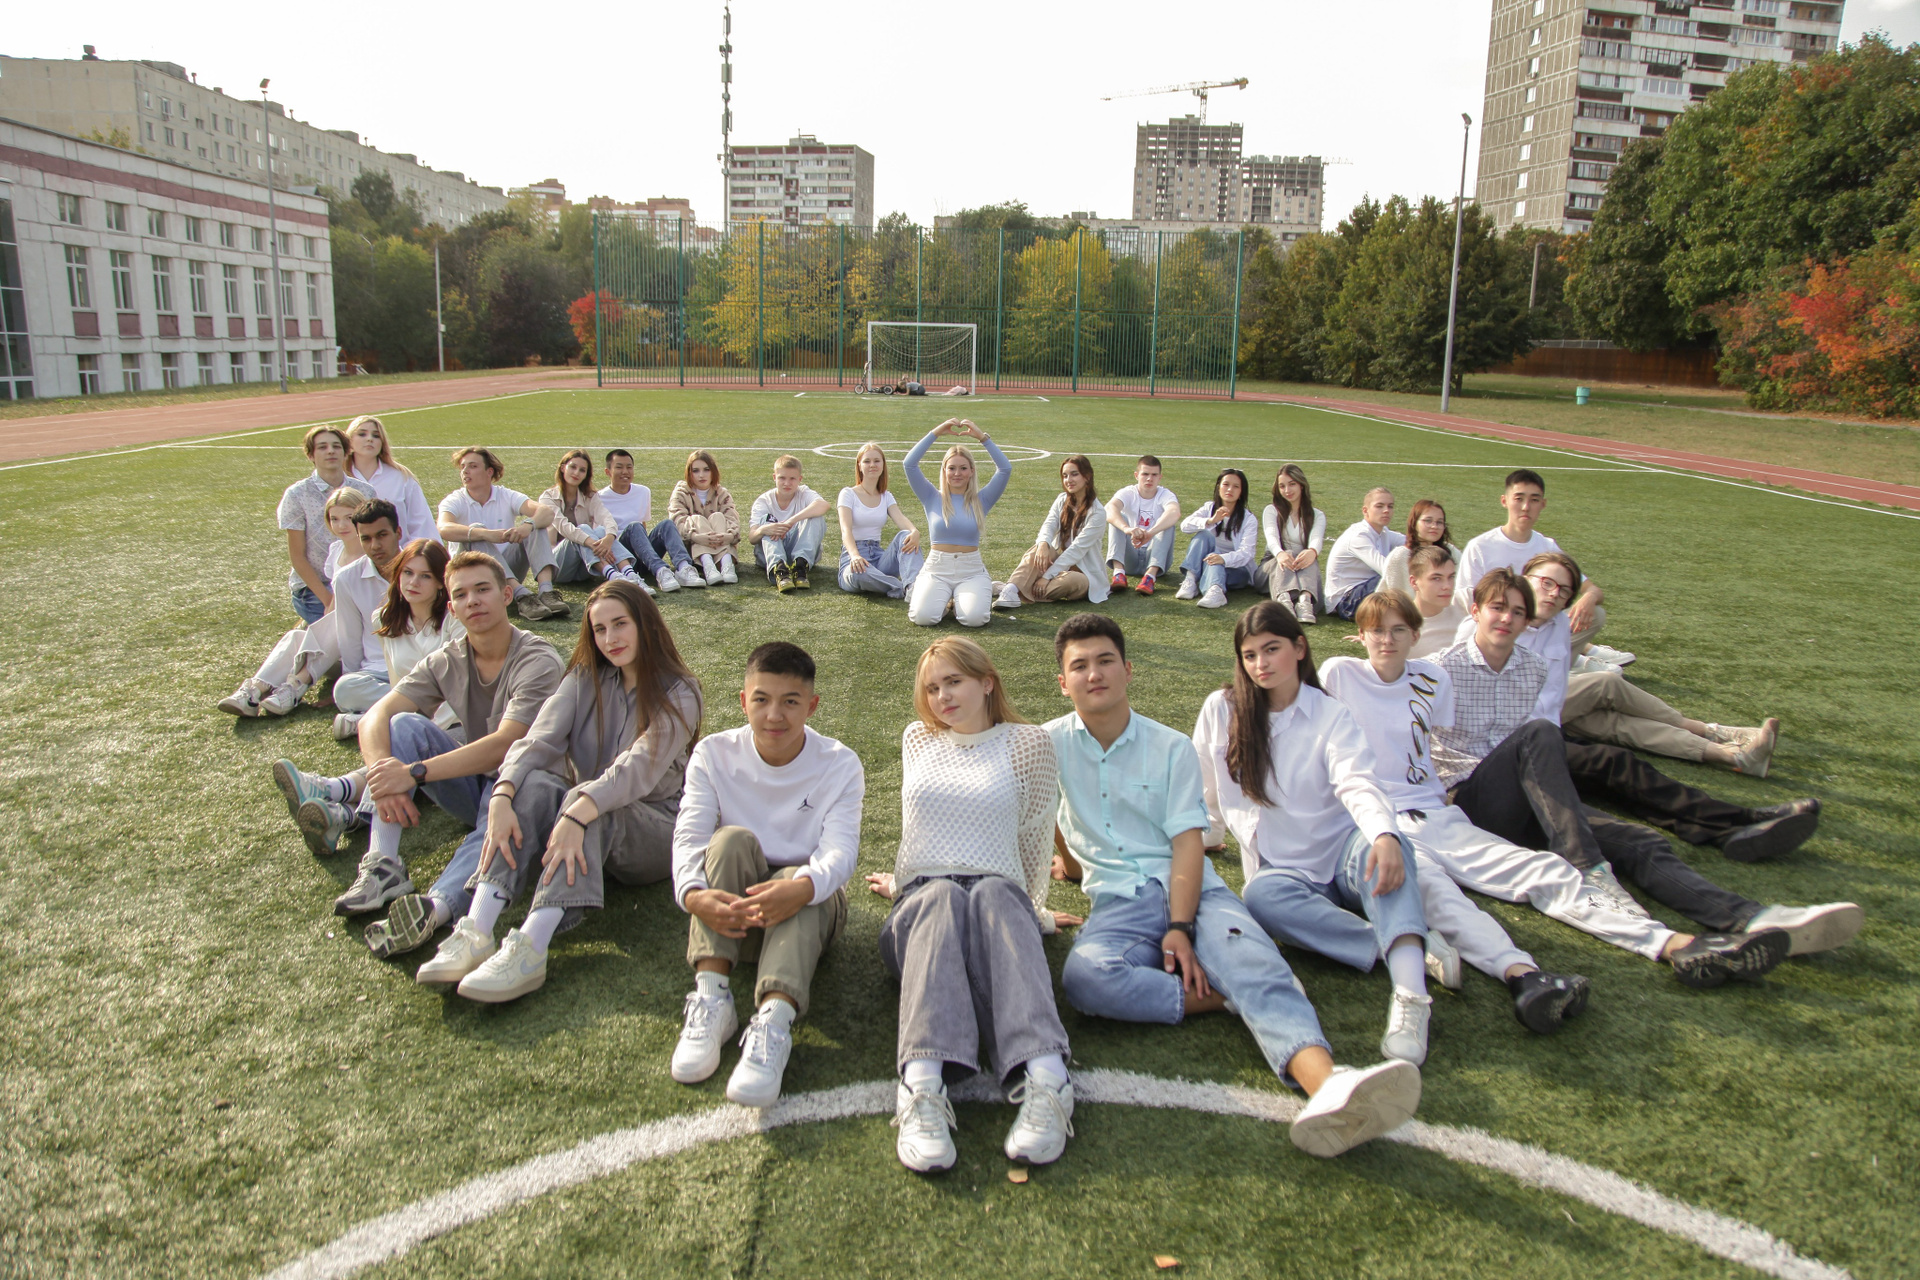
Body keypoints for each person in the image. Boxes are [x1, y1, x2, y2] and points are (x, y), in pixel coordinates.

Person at [1048, 613, 1421, 1158]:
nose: (1094, 674)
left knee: (1248, 959)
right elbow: (1046, 817)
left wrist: (1180, 927)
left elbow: (1186, 845)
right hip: (1118, 901)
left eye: (1105, 661)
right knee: (1085, 978)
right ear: (1064, 683)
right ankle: (1228, 997)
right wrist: (1073, 865)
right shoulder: (1046, 744)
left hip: (1192, 888)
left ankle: (1327, 1085)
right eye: (1080, 666)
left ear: (1128, 670)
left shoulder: (1171, 746)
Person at [1431, 569, 1861, 968]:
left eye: (1517, 612)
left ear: (1528, 622)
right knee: (1542, 734)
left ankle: (1753, 917)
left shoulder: (1534, 668)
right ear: (1476, 611)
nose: (1507, 618)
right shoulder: (1438, 670)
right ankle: (1588, 868)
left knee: (1640, 841)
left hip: (1526, 793)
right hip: (1470, 800)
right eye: (1497, 608)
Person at [1323, 589, 1731, 994]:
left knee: (1540, 869)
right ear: (1360, 635)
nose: (1387, 640)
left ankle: (1671, 943)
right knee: (1440, 896)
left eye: (1398, 630)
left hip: (1435, 813)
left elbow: (1438, 743)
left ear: (1416, 635)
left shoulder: (1432, 679)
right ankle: (1523, 976)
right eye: (1376, 631)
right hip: (1374, 822)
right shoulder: (1339, 673)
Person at [269, 553, 564, 955]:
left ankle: (437, 908)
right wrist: (383, 773)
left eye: (483, 589)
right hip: (479, 784)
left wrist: (413, 774)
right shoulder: (448, 658)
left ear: (507, 595)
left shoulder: (537, 659)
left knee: (500, 814)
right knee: (403, 726)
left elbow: (507, 745)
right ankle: (382, 865)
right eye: (462, 594)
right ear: (451, 608)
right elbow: (376, 717)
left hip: (531, 789)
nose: (473, 601)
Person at [433, 581, 704, 1002]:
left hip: (653, 828)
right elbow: (537, 740)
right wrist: (502, 794)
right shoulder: (584, 678)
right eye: (600, 629)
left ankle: (531, 947)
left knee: (591, 804)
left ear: (645, 625)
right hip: (579, 819)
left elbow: (637, 771)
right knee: (536, 783)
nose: (610, 639)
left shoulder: (681, 690)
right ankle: (477, 930)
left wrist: (578, 810)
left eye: (620, 624)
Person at [864, 638, 1076, 1173]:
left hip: (993, 906)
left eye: (953, 682)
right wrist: (904, 883)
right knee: (937, 894)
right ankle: (921, 1089)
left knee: (996, 892)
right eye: (932, 688)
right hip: (922, 910)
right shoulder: (918, 738)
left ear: (987, 681)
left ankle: (1049, 1080)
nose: (942, 697)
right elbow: (919, 829)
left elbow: (1032, 841)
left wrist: (1031, 914)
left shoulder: (1027, 743)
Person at [1192, 602, 1435, 1064]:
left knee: (1391, 842)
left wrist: (1384, 835)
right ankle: (1402, 943)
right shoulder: (1222, 709)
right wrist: (1207, 836)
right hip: (1284, 870)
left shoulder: (1330, 714)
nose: (1261, 664)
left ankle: (1411, 996)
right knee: (1260, 896)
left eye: (1272, 649)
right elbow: (1205, 784)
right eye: (1249, 655)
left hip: (1343, 852)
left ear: (1299, 648)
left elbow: (1357, 781)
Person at [1514, 551, 1817, 857]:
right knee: (1612, 761)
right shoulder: (1499, 624)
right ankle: (1737, 812)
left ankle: (1731, 825)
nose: (1554, 594)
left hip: (1544, 730)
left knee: (1617, 763)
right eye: (1546, 583)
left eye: (1563, 591)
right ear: (1523, 579)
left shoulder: (1556, 626)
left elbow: (1551, 693)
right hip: (1514, 743)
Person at [669, 642, 864, 1108]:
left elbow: (840, 852)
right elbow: (690, 834)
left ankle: (773, 1023)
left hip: (810, 915)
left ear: (811, 706)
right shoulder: (713, 753)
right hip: (736, 913)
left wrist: (801, 888)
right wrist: (692, 895)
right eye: (761, 699)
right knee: (728, 841)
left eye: (790, 701)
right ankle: (712, 998)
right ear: (743, 701)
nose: (774, 715)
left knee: (800, 876)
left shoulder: (840, 763)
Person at [1453, 468, 1631, 667]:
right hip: (1500, 626)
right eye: (1519, 498)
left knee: (1596, 614)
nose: (1526, 507)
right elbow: (1467, 604)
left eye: (1534, 500)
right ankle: (1577, 661)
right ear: (1504, 501)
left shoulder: (1547, 546)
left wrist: (1588, 598)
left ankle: (1564, 663)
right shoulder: (1481, 546)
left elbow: (1592, 589)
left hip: (1540, 626)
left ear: (1543, 504)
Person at [221, 487, 367, 718]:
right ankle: (253, 692)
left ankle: (295, 686)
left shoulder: (372, 557)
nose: (341, 525)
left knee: (340, 622)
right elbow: (332, 605)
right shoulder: (336, 551)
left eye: (349, 518)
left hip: (363, 651)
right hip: (333, 649)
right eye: (334, 519)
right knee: (295, 636)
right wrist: (318, 633)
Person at [436, 446, 568, 622]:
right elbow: (443, 528)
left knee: (535, 525)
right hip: (472, 575)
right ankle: (522, 596)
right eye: (463, 467)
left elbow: (546, 512)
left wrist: (527, 525)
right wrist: (485, 534)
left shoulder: (506, 495)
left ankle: (546, 592)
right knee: (476, 532)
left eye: (473, 466)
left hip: (508, 569)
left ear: (489, 471)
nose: (465, 471)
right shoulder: (455, 500)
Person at [904, 419, 1014, 628]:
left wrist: (982, 437)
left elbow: (1005, 469)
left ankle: (963, 599)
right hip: (937, 569)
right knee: (923, 618)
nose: (957, 473)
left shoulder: (982, 500)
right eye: (952, 468)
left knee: (974, 619)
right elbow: (909, 464)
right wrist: (936, 432)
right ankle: (946, 600)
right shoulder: (931, 496)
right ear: (944, 470)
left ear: (971, 471)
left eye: (963, 468)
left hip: (971, 570)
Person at [325, 499, 409, 739]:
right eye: (366, 538)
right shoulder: (346, 579)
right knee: (344, 689)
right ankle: (417, 711)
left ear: (398, 533)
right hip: (377, 672)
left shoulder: (421, 569)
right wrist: (349, 683)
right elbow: (349, 637)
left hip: (419, 666)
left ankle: (368, 719)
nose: (375, 545)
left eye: (382, 535)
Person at [278, 424, 375, 623]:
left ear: (346, 452)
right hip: (316, 587)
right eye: (322, 447)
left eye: (336, 446)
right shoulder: (297, 495)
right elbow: (297, 556)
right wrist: (329, 600)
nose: (330, 451)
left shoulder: (365, 491)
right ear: (311, 455)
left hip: (359, 579)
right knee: (336, 635)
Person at [995, 454, 1105, 608]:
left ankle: (1009, 588)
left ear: (1087, 476)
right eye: (1065, 476)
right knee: (1038, 550)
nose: (1068, 480)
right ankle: (1010, 590)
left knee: (1069, 581)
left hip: (1084, 574)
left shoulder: (1098, 512)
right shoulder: (1061, 499)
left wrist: (1047, 576)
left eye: (1074, 474)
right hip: (1057, 564)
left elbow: (1076, 550)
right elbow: (1048, 526)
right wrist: (1043, 545)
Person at [536, 449, 648, 595]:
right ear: (563, 468)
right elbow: (564, 528)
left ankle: (630, 575)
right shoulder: (547, 498)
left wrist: (609, 538)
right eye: (573, 467)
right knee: (582, 528)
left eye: (582, 470)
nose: (576, 473)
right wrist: (591, 542)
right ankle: (613, 576)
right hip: (557, 567)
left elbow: (607, 518)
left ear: (586, 475)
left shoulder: (590, 496)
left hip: (585, 566)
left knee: (602, 531)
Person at [600, 448, 702, 594]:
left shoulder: (643, 492)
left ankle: (684, 567)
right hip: (621, 559)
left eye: (629, 467)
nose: (625, 472)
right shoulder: (599, 498)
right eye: (619, 467)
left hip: (643, 555)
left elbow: (644, 524)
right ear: (608, 472)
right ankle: (660, 570)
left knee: (666, 524)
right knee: (634, 527)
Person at [836, 441, 924, 598]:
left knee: (906, 535)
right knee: (858, 574)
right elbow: (845, 530)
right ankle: (908, 590)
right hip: (854, 557)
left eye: (877, 461)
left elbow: (900, 518)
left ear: (883, 465)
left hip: (879, 558)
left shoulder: (886, 496)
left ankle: (914, 585)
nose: (872, 465)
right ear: (859, 465)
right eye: (867, 461)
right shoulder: (848, 494)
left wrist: (914, 531)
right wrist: (855, 555)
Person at [343, 414, 438, 546]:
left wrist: (409, 553)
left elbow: (422, 523)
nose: (370, 439)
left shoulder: (401, 477)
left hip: (399, 554)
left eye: (376, 436)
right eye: (362, 434)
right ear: (349, 441)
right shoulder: (340, 478)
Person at [1174, 468, 1259, 610]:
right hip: (1208, 562)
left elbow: (1247, 553)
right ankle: (1191, 579)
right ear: (1218, 487)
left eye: (1236, 486)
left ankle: (1216, 591)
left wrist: (1222, 559)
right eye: (1226, 484)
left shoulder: (1248, 519)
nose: (1230, 489)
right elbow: (1185, 526)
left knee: (1213, 559)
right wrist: (1211, 521)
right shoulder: (1209, 507)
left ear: (1241, 492)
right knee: (1203, 535)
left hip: (1236, 569)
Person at [1255, 464, 1326, 625]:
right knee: (1288, 554)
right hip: (1271, 568)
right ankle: (1284, 601)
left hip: (1301, 571)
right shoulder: (1271, 510)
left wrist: (1313, 551)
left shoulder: (1317, 515)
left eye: (1292, 484)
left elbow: (1316, 539)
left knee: (1309, 556)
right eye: (1282, 486)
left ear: (1301, 485)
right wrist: (1280, 554)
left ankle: (1305, 602)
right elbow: (1271, 538)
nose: (1287, 490)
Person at [749, 454, 831, 593]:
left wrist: (790, 522)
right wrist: (764, 530)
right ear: (774, 477)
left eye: (792, 478)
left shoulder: (804, 493)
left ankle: (800, 566)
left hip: (797, 547)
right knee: (766, 520)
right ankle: (780, 570)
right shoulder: (764, 501)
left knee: (816, 516)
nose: (787, 483)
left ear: (800, 479)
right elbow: (752, 537)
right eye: (782, 478)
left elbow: (824, 505)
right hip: (770, 552)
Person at [1104, 456, 1181, 595]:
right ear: (1136, 475)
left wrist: (1151, 533)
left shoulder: (1165, 494)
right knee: (1118, 518)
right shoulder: (1128, 492)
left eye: (1154, 475)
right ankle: (1119, 573)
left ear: (1160, 477)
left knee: (1167, 524)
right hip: (1130, 556)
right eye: (1145, 474)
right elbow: (1109, 509)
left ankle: (1150, 577)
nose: (1149, 479)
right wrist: (1128, 529)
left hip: (1156, 557)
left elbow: (1174, 512)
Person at [1323, 487, 1404, 621]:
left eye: (1390, 506)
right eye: (1379, 506)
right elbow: (1386, 570)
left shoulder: (1384, 532)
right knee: (1395, 574)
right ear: (1365, 510)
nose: (1386, 510)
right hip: (1346, 601)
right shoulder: (1358, 536)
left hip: (1365, 591)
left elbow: (1411, 543)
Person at [667, 449, 741, 586]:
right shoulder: (681, 492)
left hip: (722, 543)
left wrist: (729, 536)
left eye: (706, 469)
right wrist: (696, 537)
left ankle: (726, 565)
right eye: (695, 471)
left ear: (713, 471)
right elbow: (677, 522)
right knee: (696, 519)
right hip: (693, 549)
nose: (701, 475)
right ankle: (708, 566)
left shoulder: (722, 493)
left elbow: (732, 519)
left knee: (718, 516)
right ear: (689, 473)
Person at [1381, 499, 1461, 599]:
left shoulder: (1452, 552)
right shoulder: (1401, 556)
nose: (1434, 526)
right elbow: (1395, 597)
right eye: (1428, 521)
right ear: (1414, 523)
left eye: (1439, 522)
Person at [1404, 545, 1468, 661]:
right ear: (1414, 582)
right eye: (1436, 578)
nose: (1447, 586)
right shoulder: (1402, 625)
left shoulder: (1465, 606)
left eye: (1451, 577)